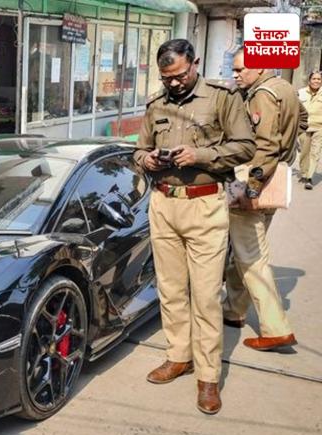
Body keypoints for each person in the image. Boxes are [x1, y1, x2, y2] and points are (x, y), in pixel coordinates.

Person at [134, 39, 256, 415]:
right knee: (170, 291)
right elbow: (138, 150)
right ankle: (178, 357)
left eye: (179, 75)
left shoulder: (222, 97)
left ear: (195, 63)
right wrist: (147, 160)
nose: (173, 83)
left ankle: (207, 377)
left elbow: (246, 146)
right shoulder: (156, 104)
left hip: (204, 204)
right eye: (166, 78)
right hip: (163, 204)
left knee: (205, 296)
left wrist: (200, 155)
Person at [224, 49, 303, 351]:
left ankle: (275, 328)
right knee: (243, 250)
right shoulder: (285, 88)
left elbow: (266, 146)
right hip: (273, 179)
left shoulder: (262, 94)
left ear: (259, 67)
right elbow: (301, 121)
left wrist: (251, 188)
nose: (235, 75)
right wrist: (287, 153)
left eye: (240, 69)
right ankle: (234, 309)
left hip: (254, 179)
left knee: (251, 256)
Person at [298, 70, 322, 190]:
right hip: (304, 127)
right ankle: (304, 173)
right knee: (304, 152)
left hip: (319, 127)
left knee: (315, 152)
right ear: (309, 80)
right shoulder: (300, 93)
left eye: (319, 79)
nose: (316, 81)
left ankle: (309, 177)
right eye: (314, 79)